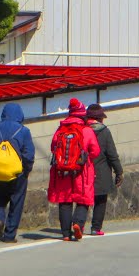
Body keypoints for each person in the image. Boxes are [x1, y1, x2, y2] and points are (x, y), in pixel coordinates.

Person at [0, 102, 35, 244]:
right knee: (16, 202)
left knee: (0, 199)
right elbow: (29, 155)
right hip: (17, 174)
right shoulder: (24, 131)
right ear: (20, 115)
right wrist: (27, 170)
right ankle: (9, 236)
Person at [47, 98, 100, 241]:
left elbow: (53, 148)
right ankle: (78, 223)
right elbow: (95, 151)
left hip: (62, 170)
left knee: (65, 200)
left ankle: (65, 233)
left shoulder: (60, 130)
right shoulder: (87, 131)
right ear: (82, 115)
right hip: (82, 170)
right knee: (83, 198)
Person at [86, 103, 123, 236]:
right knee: (100, 200)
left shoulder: (82, 130)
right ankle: (95, 228)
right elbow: (112, 154)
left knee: (83, 199)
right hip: (101, 171)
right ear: (100, 118)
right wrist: (119, 172)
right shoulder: (104, 131)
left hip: (83, 171)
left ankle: (77, 224)